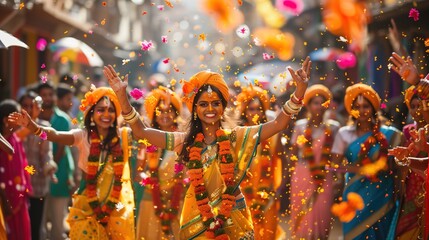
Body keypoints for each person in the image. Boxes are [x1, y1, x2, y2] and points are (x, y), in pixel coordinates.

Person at [103, 56, 310, 239]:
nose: (210, 109)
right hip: (197, 217)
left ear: (223, 106)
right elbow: (141, 132)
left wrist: (299, 92)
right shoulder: (185, 141)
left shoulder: (237, 136)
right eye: (203, 104)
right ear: (194, 109)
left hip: (233, 214)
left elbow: (278, 124)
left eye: (215, 103)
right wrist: (122, 96)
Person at [8, 87, 136, 239]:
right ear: (92, 113)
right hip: (87, 204)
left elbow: (142, 130)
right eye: (100, 110)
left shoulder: (124, 137)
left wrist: (123, 97)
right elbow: (55, 135)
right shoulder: (83, 136)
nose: (106, 114)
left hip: (116, 207)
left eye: (111, 110)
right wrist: (32, 126)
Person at [331, 83, 402, 240]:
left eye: (365, 106)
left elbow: (398, 167)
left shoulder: (390, 134)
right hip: (355, 196)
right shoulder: (344, 134)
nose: (361, 111)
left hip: (382, 193)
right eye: (357, 106)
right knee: (355, 234)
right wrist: (361, 170)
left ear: (373, 108)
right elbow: (335, 165)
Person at [134, 86, 186, 239]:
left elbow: (191, 171)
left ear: (176, 114)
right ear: (154, 114)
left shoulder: (183, 139)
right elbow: (138, 172)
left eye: (169, 110)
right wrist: (150, 182)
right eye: (160, 111)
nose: (165, 115)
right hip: (152, 201)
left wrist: (181, 182)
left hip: (177, 199)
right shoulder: (146, 140)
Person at [289, 84, 340, 239]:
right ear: (308, 105)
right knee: (302, 217)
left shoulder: (334, 128)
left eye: (322, 103)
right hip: (302, 175)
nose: (319, 107)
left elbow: (336, 156)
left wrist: (337, 176)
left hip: (325, 177)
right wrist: (292, 176)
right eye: (315, 103)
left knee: (322, 215)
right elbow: (293, 154)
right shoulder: (300, 126)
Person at [388, 52, 429, 239]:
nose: (422, 109)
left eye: (425, 104)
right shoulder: (411, 131)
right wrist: (407, 160)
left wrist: (417, 83)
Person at [235, 85, 284, 240]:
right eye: (251, 109)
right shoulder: (237, 134)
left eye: (259, 109)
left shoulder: (272, 133)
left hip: (267, 193)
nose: (255, 113)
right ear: (245, 111)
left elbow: (284, 159)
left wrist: (281, 186)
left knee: (268, 234)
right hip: (243, 194)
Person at [37, 82, 75, 239]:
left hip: (60, 174)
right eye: (43, 95)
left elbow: (60, 148)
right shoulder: (34, 118)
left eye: (50, 95)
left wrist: (51, 168)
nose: (47, 98)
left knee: (58, 224)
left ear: (54, 97)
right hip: (37, 178)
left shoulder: (63, 119)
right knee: (39, 224)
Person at [18, 91, 56, 240]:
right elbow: (15, 140)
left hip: (36, 185)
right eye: (25, 106)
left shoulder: (44, 127)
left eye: (32, 106)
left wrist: (50, 168)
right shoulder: (14, 126)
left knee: (34, 227)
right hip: (17, 184)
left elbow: (46, 154)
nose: (28, 109)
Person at [0, 99, 32, 240]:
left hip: (18, 197)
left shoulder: (15, 139)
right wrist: (5, 200)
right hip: (3, 199)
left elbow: (13, 154)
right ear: (6, 120)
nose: (20, 121)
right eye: (17, 117)